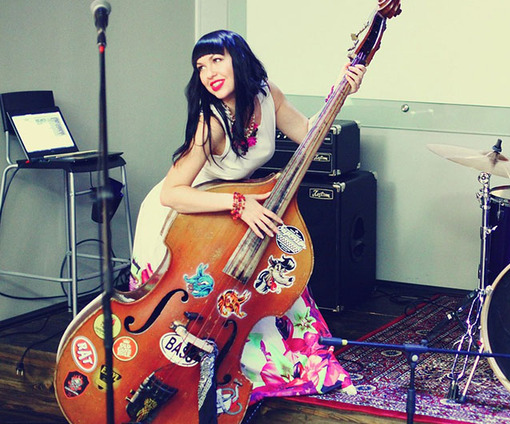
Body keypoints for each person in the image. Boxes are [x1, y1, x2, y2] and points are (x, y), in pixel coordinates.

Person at [129, 29, 365, 402]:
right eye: (201, 66)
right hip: (179, 219)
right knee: (198, 304)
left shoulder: (265, 94)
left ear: (238, 59)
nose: (208, 73)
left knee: (268, 279)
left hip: (224, 209)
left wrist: (340, 94)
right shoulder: (211, 123)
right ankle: (186, 381)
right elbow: (172, 193)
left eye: (216, 60)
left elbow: (307, 133)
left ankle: (292, 363)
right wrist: (240, 204)